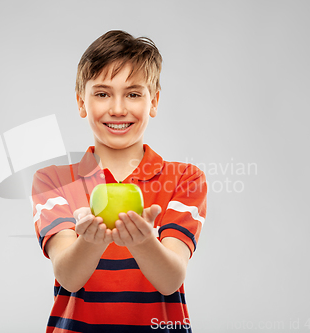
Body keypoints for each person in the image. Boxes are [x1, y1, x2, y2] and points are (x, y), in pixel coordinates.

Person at [31, 30, 207, 333]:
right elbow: (68, 276)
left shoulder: (185, 178)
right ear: (81, 102)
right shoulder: (53, 181)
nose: (117, 108)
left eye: (133, 94)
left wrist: (143, 243)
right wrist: (89, 241)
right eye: (102, 93)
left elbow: (170, 280)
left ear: (154, 102)